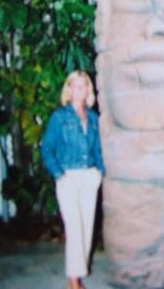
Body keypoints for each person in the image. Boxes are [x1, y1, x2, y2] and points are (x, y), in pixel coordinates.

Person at [41, 70, 105, 289]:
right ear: (68, 89)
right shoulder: (59, 117)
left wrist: (99, 173)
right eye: (76, 85)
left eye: (84, 85)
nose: (80, 89)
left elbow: (97, 149)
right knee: (74, 229)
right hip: (68, 177)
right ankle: (74, 282)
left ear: (88, 89)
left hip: (89, 177)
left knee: (86, 230)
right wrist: (59, 175)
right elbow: (47, 149)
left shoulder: (93, 118)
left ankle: (75, 277)